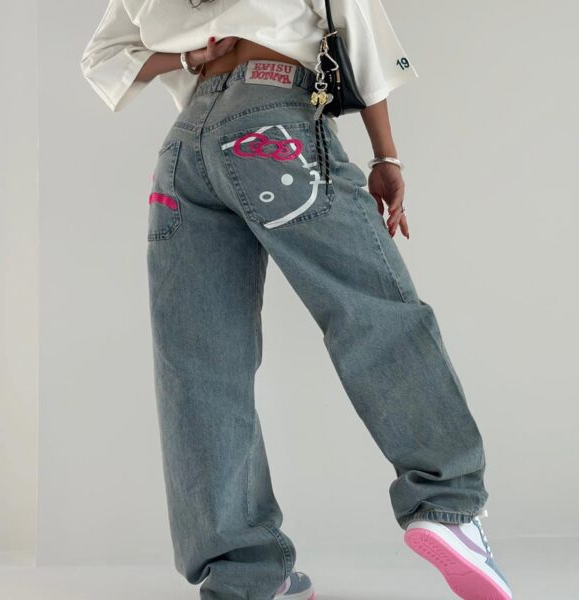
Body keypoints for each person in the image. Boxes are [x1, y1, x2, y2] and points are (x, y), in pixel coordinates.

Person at [80, 1, 513, 599]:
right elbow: (357, 26)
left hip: (184, 151)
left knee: (200, 366)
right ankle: (448, 504)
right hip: (273, 115)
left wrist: (185, 58)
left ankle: (243, 577)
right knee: (372, 312)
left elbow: (102, 57)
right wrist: (386, 156)